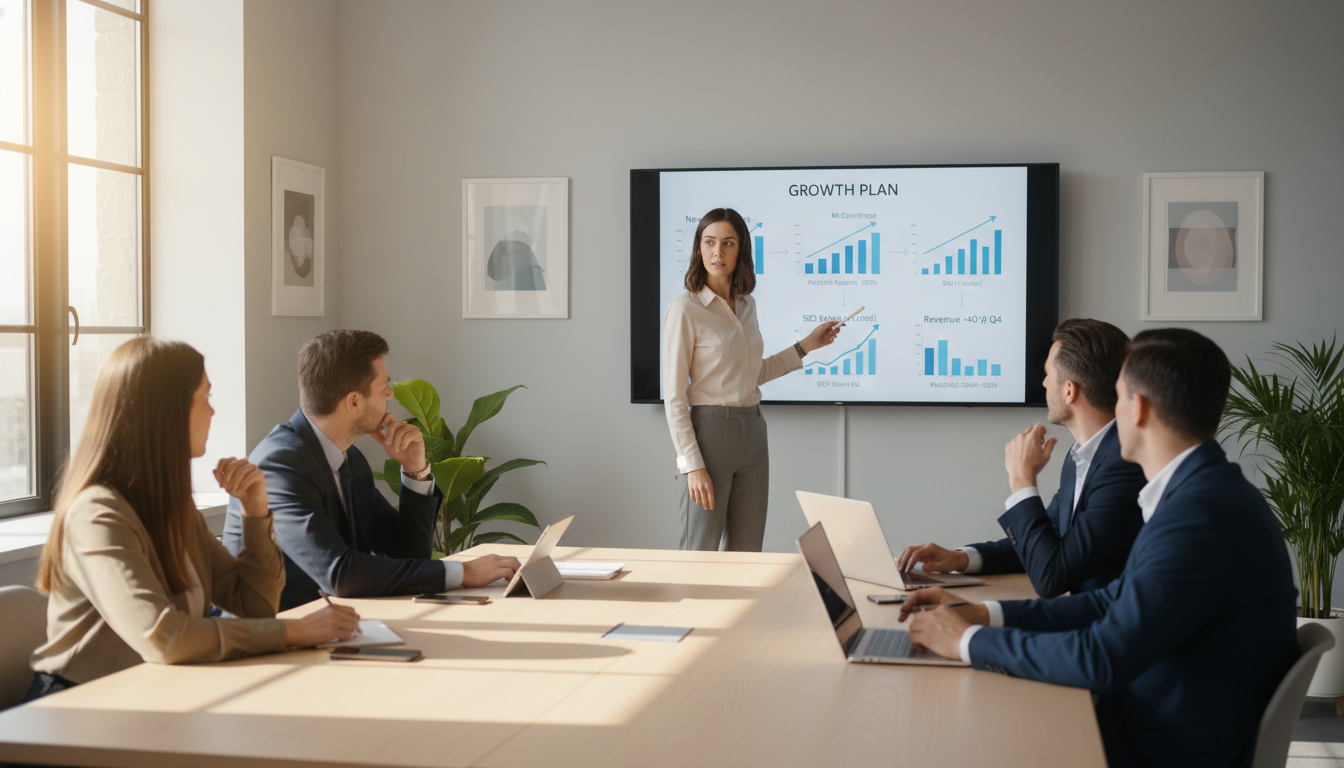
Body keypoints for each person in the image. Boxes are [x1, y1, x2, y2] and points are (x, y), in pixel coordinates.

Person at [900, 328, 1298, 768]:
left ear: (1139, 408)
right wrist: (983, 615)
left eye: (1119, 395)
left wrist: (967, 642)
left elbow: (1102, 657)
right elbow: (1112, 600)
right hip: (1161, 718)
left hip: (1164, 744)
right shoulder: (1203, 493)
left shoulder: (1197, 516)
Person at [28, 337, 359, 701]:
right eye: (205, 398)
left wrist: (255, 511)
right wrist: (292, 632)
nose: (213, 412)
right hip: (76, 711)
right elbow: (163, 637)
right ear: (165, 412)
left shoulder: (173, 505)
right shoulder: (97, 515)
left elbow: (254, 608)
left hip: (156, 695)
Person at [224, 330, 519, 610]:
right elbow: (339, 574)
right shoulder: (280, 464)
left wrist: (414, 469)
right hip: (276, 639)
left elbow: (407, 554)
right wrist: (462, 572)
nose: (390, 395)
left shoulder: (349, 459)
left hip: (339, 625)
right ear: (354, 401)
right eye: (384, 387)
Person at [897, 318, 1146, 597]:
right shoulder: (1086, 454)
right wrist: (960, 559)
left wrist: (1021, 478)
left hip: (1105, 629)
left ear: (1068, 391)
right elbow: (1044, 542)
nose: (1043, 382)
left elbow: (1051, 577)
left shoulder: (1124, 467)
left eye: (1048, 374)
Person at [663, 208, 841, 552]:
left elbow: (752, 373)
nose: (718, 252)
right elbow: (673, 398)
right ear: (699, 249)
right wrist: (692, 465)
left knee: (747, 552)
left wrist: (807, 346)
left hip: (754, 434)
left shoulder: (746, 305)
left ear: (740, 250)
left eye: (728, 243)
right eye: (709, 242)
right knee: (698, 551)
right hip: (711, 435)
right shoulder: (684, 310)